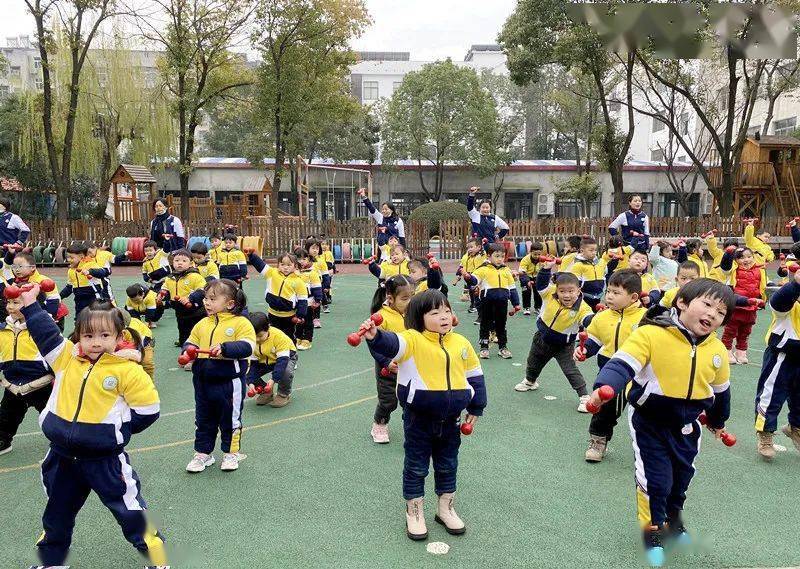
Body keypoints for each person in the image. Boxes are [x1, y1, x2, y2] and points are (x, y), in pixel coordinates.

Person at [588, 279, 734, 567]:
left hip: (688, 428)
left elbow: (721, 391)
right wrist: (605, 387)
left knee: (681, 480)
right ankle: (651, 532)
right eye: (707, 304)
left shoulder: (716, 350)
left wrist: (718, 421)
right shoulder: (651, 335)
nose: (713, 314)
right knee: (656, 482)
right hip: (649, 424)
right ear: (681, 303)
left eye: (720, 312)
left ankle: (674, 523)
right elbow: (621, 364)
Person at [18, 291, 166, 567]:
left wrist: (112, 432)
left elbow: (148, 411)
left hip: (105, 460)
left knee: (130, 512)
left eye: (104, 336)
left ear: (119, 337)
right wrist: (29, 304)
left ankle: (158, 558)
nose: (95, 342)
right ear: (79, 337)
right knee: (56, 513)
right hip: (61, 457)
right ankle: (51, 562)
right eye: (88, 336)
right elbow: (46, 333)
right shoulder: (66, 359)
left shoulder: (128, 370)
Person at [360, 290, 487, 540]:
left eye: (447, 310)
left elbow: (475, 376)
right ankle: (414, 511)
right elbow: (393, 343)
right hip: (419, 419)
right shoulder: (413, 340)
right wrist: (375, 336)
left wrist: (476, 406)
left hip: (451, 419)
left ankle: (445, 508)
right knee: (417, 467)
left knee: (448, 464)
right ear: (419, 317)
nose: (444, 316)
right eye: (435, 312)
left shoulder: (461, 343)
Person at [573, 270, 646, 462]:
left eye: (616, 292)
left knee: (646, 413)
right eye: (609, 291)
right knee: (604, 410)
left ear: (633, 297)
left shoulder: (646, 319)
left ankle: (651, 448)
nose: (610, 296)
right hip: (609, 372)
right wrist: (583, 350)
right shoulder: (602, 317)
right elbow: (593, 341)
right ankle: (598, 441)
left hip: (640, 375)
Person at [184, 279, 256, 473]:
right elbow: (190, 342)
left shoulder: (241, 323)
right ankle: (203, 454)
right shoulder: (202, 324)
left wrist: (225, 348)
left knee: (230, 419)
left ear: (230, 303)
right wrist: (188, 351)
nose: (206, 302)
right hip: (202, 381)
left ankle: (230, 453)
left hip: (229, 383)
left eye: (212, 299)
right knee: (203, 419)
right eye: (205, 298)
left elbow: (248, 346)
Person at [514, 262, 593, 412]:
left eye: (571, 291)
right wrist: (545, 269)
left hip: (563, 346)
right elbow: (541, 285)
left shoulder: (582, 307)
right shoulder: (550, 294)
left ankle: (584, 397)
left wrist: (594, 320)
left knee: (570, 370)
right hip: (541, 338)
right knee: (533, 361)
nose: (567, 295)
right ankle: (530, 381)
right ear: (557, 290)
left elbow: (587, 318)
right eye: (562, 291)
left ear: (578, 290)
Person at [753, 268, 800, 461]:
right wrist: (796, 284)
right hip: (783, 355)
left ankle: (795, 427)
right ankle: (765, 432)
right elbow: (778, 303)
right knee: (771, 395)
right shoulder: (790, 302)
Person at [0, 290, 54, 455]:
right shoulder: (3, 329)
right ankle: (3, 440)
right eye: (8, 302)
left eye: (16, 303)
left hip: (41, 383)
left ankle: (63, 440)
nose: (10, 307)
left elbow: (55, 352)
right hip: (13, 385)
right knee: (6, 417)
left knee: (54, 416)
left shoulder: (43, 328)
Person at [367, 274, 415, 444]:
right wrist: (387, 361)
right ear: (390, 298)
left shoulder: (413, 314)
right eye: (405, 298)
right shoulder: (381, 317)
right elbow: (374, 344)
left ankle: (412, 429)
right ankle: (379, 423)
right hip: (387, 368)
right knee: (389, 400)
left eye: (413, 297)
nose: (410, 301)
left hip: (410, 366)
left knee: (412, 399)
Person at [463, 243, 520, 359]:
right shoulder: (483, 269)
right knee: (485, 323)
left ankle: (503, 347)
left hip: (502, 303)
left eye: (502, 256)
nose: (500, 259)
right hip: (486, 302)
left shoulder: (506, 271)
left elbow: (512, 288)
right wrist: (468, 277)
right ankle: (484, 347)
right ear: (489, 256)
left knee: (501, 325)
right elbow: (474, 280)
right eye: (497, 256)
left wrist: (516, 303)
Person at [246, 250, 308, 341]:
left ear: (295, 266)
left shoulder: (299, 282)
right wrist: (251, 255)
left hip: (289, 316)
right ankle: (275, 353)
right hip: (272, 314)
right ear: (278, 265)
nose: (285, 267)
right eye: (282, 264)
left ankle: (291, 353)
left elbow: (303, 301)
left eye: (289, 265)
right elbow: (260, 265)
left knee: (288, 336)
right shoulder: (272, 273)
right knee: (272, 335)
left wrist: (300, 316)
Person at [721, 247, 766, 365]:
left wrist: (763, 300)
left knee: (746, 331)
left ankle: (741, 352)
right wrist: (728, 254)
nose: (746, 259)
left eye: (749, 256)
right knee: (730, 330)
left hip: (752, 306)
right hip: (737, 305)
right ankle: (726, 351)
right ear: (735, 260)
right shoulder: (734, 270)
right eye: (741, 257)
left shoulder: (759, 270)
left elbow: (763, 286)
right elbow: (725, 267)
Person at [247, 311, 297, 408]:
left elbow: (282, 361)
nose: (257, 339)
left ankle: (283, 394)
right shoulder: (250, 340)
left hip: (286, 357)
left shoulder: (278, 337)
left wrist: (274, 379)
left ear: (268, 327)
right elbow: (252, 364)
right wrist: (251, 382)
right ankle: (265, 392)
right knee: (245, 370)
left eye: (260, 336)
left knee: (285, 371)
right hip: (264, 360)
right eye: (254, 336)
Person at [161, 249, 207, 349]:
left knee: (196, 329)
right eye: (177, 261)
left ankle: (200, 346)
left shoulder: (195, 276)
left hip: (195, 310)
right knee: (182, 328)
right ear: (172, 263)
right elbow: (165, 287)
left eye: (184, 261)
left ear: (191, 264)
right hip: (179, 309)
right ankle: (184, 347)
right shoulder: (170, 277)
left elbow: (203, 290)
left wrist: (190, 298)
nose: (180, 263)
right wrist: (162, 294)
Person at [60, 241, 112, 320]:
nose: (68, 259)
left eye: (71, 257)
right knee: (79, 320)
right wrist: (59, 297)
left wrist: (90, 271)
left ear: (81, 257)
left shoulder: (90, 264)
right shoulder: (71, 270)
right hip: (79, 299)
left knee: (95, 319)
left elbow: (102, 272)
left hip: (93, 298)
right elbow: (70, 287)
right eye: (68, 257)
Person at [567, 237, 613, 311]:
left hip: (599, 297)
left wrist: (614, 260)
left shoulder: (601, 262)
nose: (594, 252)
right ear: (582, 251)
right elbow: (575, 284)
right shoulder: (578, 265)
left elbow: (606, 273)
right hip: (585, 297)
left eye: (595, 250)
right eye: (591, 250)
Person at [295, 248, 323, 350]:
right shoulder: (294, 273)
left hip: (309, 302)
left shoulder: (312, 273)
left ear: (308, 259)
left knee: (308, 322)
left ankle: (307, 340)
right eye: (298, 259)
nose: (301, 261)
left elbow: (317, 287)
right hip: (297, 303)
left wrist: (318, 300)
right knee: (298, 321)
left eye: (304, 259)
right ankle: (298, 337)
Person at [455, 237, 486, 311]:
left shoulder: (482, 254)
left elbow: (486, 250)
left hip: (479, 277)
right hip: (469, 276)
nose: (469, 249)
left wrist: (485, 244)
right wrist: (459, 274)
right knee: (471, 291)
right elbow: (462, 265)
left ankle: (479, 304)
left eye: (471, 247)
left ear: (479, 247)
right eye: (468, 247)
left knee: (478, 291)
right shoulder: (466, 256)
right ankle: (473, 304)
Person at [518, 242, 544, 316]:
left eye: (539, 254)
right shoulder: (525, 259)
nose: (537, 256)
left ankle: (538, 307)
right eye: (535, 254)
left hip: (536, 276)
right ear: (530, 252)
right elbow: (522, 271)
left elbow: (544, 269)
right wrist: (527, 281)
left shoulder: (543, 260)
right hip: (525, 275)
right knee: (526, 290)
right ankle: (526, 307)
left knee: (538, 291)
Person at [319, 239, 336, 312]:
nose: (324, 246)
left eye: (326, 244)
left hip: (328, 271)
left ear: (328, 246)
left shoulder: (328, 253)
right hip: (321, 271)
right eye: (322, 244)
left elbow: (331, 263)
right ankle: (323, 298)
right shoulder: (319, 254)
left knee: (327, 285)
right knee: (322, 286)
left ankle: (328, 297)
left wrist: (334, 269)